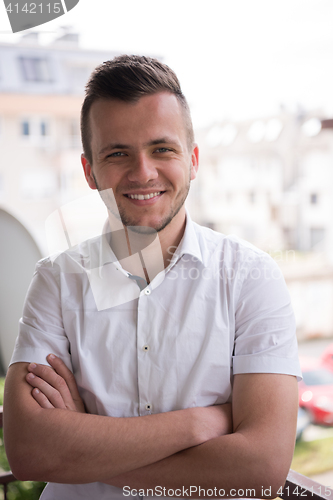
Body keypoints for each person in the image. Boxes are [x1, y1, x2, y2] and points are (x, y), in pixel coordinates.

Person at [3, 55, 301, 500]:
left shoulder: (251, 278)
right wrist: (202, 422)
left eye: (162, 149)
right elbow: (30, 451)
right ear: (90, 172)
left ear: (193, 160)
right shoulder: (56, 280)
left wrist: (88, 444)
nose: (143, 172)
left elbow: (261, 469)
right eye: (117, 153)